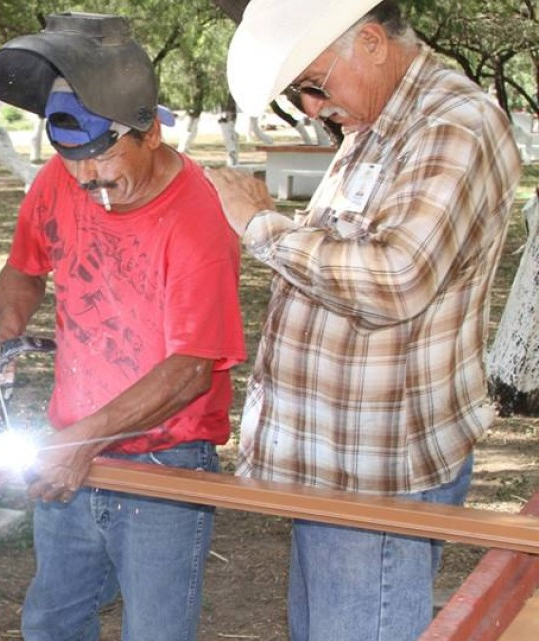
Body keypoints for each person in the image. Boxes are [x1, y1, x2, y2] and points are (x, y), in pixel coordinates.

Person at [204, 1, 523, 640]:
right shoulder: (380, 122)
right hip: (339, 461)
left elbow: (394, 279)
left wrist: (261, 226)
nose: (314, 109)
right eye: (302, 96)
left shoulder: (453, 124)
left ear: (372, 42)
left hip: (376, 474)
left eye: (315, 87)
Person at [0, 12, 246, 641]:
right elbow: (22, 266)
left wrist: (82, 442)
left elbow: (189, 372)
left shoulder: (198, 216)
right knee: (53, 621)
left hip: (166, 458)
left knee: (155, 630)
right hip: (72, 444)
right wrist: (8, 328)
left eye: (102, 165)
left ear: (149, 132)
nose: (86, 182)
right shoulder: (62, 179)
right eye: (72, 166)